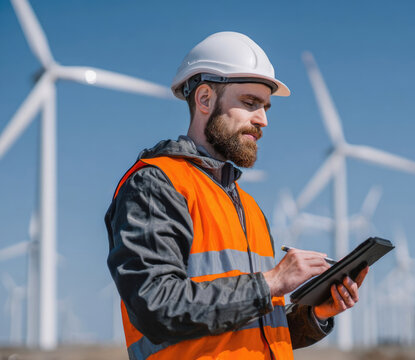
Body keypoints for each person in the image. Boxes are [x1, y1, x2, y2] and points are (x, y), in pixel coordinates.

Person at [105, 31, 368, 360]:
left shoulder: (248, 207)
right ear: (204, 99)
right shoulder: (157, 184)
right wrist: (271, 282)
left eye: (266, 107)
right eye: (250, 103)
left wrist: (316, 314)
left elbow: (253, 329)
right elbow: (156, 306)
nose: (263, 120)